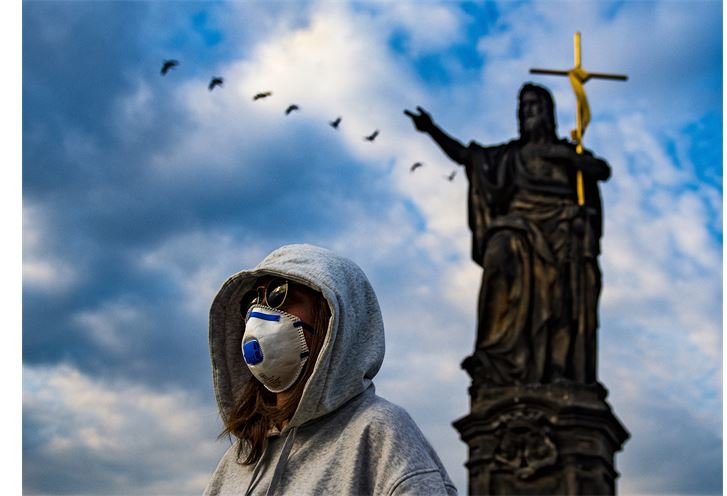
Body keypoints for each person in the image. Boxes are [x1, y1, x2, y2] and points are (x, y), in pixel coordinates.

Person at [205, 243, 457, 495]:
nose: (258, 312)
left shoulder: (379, 431)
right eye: (251, 301)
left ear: (333, 316)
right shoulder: (239, 460)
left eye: (278, 293)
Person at [404, 83, 611, 386]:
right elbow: (466, 156)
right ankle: (498, 355)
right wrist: (432, 129)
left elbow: (601, 170)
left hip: (563, 229)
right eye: (524, 107)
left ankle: (557, 369)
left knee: (559, 301)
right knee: (499, 249)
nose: (529, 112)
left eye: (535, 106)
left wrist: (573, 159)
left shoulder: (568, 152)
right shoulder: (509, 155)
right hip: (519, 225)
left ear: (548, 112)